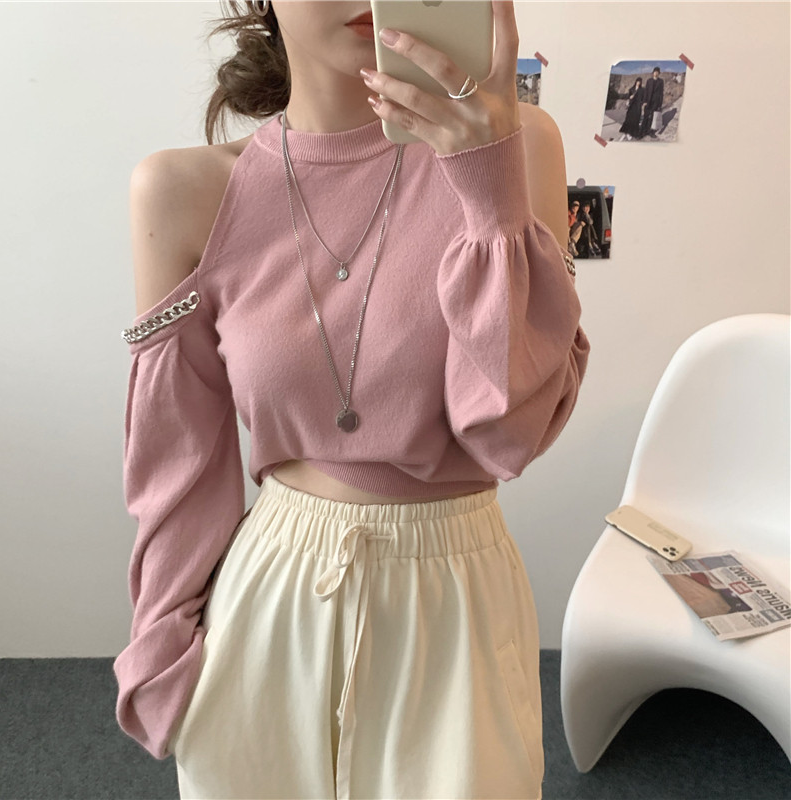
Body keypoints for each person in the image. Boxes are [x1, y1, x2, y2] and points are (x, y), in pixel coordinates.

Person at [113, 1, 590, 798]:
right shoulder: (184, 191)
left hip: (458, 600)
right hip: (270, 604)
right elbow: (177, 462)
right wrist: (161, 646)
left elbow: (511, 434)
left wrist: (489, 188)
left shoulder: (521, 143)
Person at [618, 76, 644, 141]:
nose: (638, 83)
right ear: (636, 82)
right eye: (638, 81)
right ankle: (626, 132)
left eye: (640, 82)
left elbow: (643, 98)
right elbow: (628, 97)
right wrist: (630, 97)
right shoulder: (631, 89)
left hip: (638, 106)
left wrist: (642, 103)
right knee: (629, 119)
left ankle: (631, 133)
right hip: (631, 106)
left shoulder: (642, 90)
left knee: (635, 120)